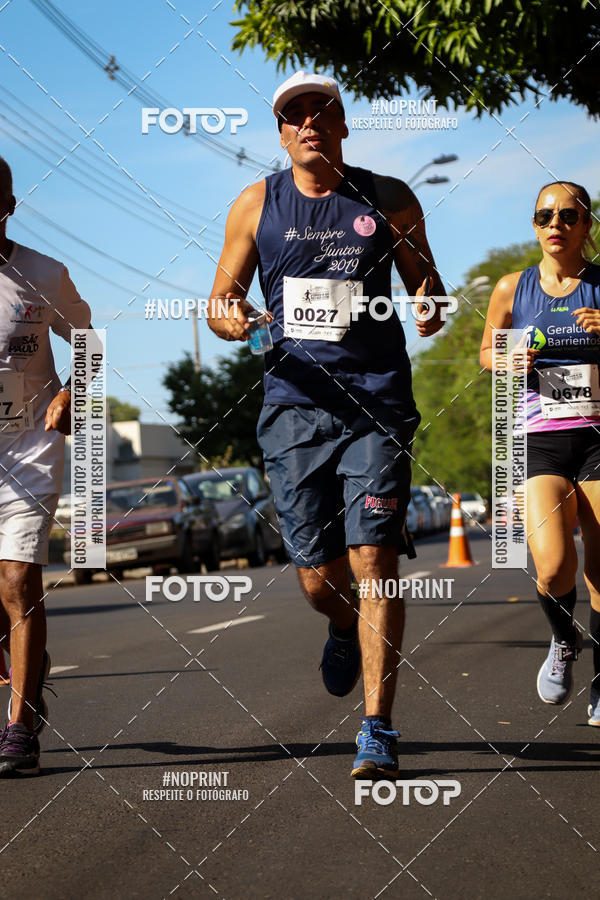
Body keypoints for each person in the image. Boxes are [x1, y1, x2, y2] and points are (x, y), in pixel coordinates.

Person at [207, 71, 445, 777]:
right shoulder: (256, 204)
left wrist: (430, 301)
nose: (309, 121)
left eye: (322, 110)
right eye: (294, 114)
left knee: (374, 557)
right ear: (282, 133)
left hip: (376, 403)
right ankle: (342, 623)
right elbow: (221, 297)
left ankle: (377, 726)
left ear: (343, 125)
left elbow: (426, 279)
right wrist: (232, 317)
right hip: (293, 405)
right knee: (317, 577)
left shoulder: (390, 197)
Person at [480, 181, 600, 723]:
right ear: (534, 225)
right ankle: (564, 642)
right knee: (553, 567)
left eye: (568, 215)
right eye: (544, 215)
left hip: (599, 437)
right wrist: (506, 361)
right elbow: (487, 352)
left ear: (586, 226)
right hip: (540, 439)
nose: (555, 223)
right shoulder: (511, 287)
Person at [0, 156, 92, 776]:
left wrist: (71, 394)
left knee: (16, 583)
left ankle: (20, 727)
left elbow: (88, 340)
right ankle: (27, 673)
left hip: (28, 442)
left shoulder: (41, 274)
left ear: (7, 204)